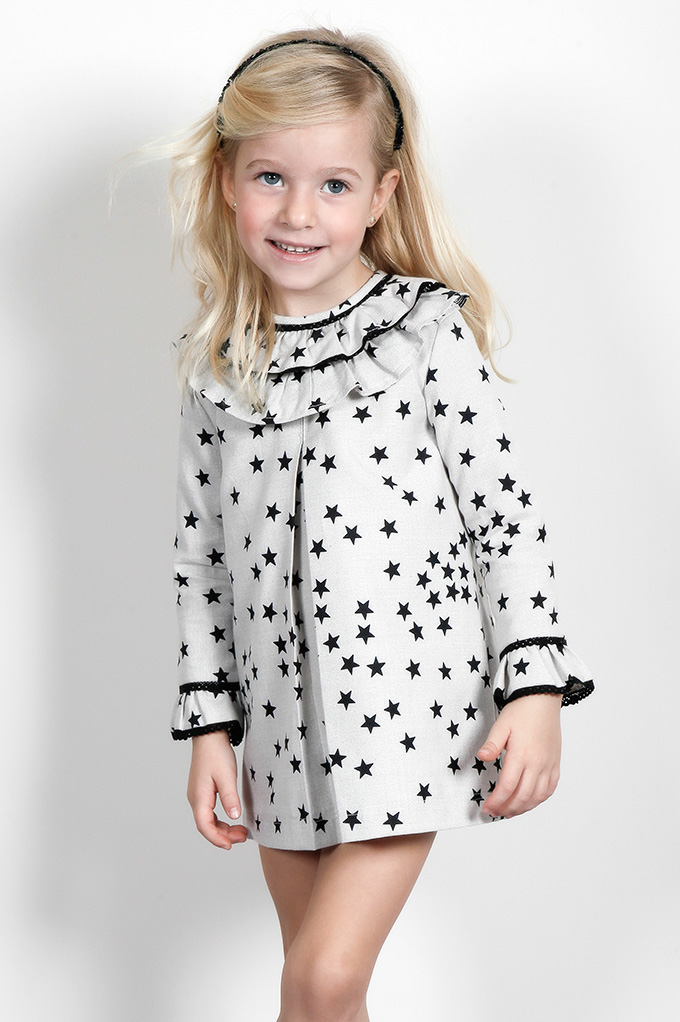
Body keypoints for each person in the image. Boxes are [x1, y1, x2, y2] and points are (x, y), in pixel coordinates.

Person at [166, 26, 595, 1021]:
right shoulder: (216, 366)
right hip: (278, 728)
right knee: (318, 996)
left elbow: (503, 516)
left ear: (381, 195)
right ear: (227, 181)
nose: (297, 212)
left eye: (333, 185)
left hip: (408, 716)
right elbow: (199, 561)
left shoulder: (425, 331)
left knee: (320, 978)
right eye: (270, 177)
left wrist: (534, 686)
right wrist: (210, 728)